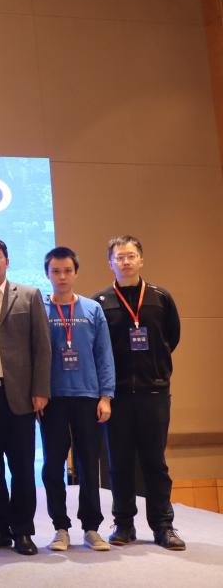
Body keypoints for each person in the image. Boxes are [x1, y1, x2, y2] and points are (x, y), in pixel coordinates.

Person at [94, 235, 185, 550]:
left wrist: (155, 369)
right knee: (119, 462)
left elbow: (172, 337)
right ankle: (123, 524)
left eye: (131, 256)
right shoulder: (100, 302)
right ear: (110, 263)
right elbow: (98, 349)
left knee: (154, 462)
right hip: (117, 396)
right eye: (119, 257)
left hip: (154, 393)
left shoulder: (160, 298)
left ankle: (163, 526)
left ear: (141, 260)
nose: (125, 262)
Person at [0, 237, 51, 556]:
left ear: (7, 261)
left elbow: (42, 347)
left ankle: (23, 531)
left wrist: (40, 390)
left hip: (18, 395)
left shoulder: (29, 296)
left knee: (22, 468)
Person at [42, 246, 115, 552]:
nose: (62, 276)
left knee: (88, 464)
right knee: (52, 466)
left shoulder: (92, 309)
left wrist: (106, 396)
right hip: (52, 400)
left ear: (76, 273)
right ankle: (60, 528)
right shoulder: (40, 309)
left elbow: (104, 354)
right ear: (48, 274)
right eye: (56, 271)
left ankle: (91, 527)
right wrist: (37, 394)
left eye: (67, 271)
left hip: (88, 397)